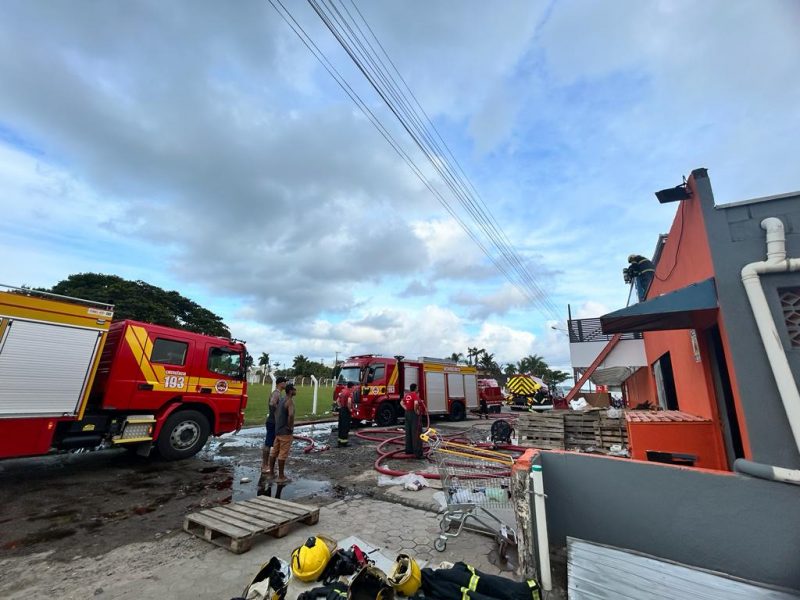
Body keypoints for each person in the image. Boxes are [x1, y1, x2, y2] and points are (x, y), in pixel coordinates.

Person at [268, 382, 296, 483]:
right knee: (282, 454)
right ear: (291, 391)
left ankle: (271, 473)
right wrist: (289, 427)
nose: (296, 391)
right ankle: (281, 477)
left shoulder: (281, 400)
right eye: (294, 389)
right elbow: (291, 415)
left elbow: (275, 410)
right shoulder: (289, 401)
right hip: (285, 432)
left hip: (278, 430)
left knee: (274, 452)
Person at [262, 376, 287, 475]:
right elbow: (272, 404)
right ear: (281, 383)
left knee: (273, 444)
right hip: (272, 422)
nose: (285, 384)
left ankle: (268, 464)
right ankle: (264, 465)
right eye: (285, 382)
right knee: (268, 443)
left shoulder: (278, 393)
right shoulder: (276, 393)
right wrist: (279, 412)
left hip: (274, 422)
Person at [402, 384, 423, 459]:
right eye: (417, 387)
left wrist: (406, 408)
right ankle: (418, 453)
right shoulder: (414, 395)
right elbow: (416, 403)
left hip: (407, 414)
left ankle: (409, 450)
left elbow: (401, 403)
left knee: (408, 432)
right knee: (416, 433)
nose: (417, 389)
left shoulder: (407, 395)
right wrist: (416, 411)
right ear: (415, 388)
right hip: (413, 415)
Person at [336, 382, 354, 447]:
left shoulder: (343, 391)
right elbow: (349, 402)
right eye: (353, 387)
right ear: (351, 387)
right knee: (345, 426)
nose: (353, 389)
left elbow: (337, 401)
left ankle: (339, 442)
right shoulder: (349, 392)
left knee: (341, 426)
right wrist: (350, 409)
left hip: (341, 410)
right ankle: (344, 443)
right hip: (346, 411)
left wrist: (341, 407)